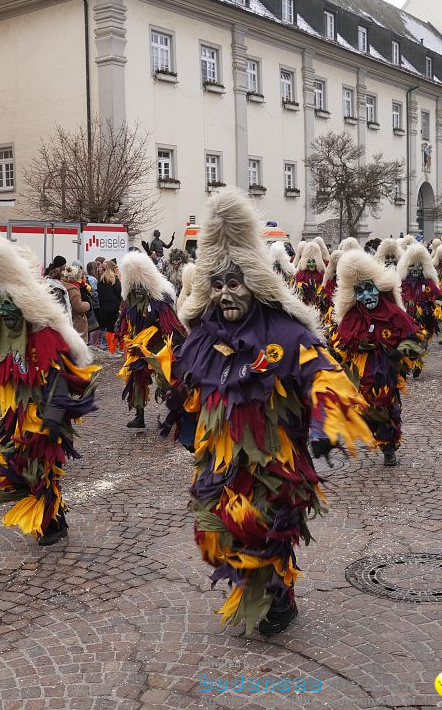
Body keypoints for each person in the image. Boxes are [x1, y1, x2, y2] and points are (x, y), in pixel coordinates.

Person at [154, 190, 372, 635]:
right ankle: (258, 589)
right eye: (217, 285)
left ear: (255, 282)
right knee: (224, 528)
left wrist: (329, 416)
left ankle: (278, 599)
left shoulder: (285, 331)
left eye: (235, 283)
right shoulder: (202, 334)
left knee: (269, 523)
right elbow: (187, 382)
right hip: (220, 458)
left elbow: (321, 371)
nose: (225, 294)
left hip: (274, 457)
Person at [0, 237, 100, 546]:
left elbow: (58, 377)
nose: (4, 310)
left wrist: (52, 419)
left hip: (42, 416)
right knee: (13, 465)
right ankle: (54, 519)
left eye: (8, 302)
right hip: (14, 416)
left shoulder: (44, 334)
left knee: (43, 470)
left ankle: (53, 524)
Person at [330, 249, 423, 466]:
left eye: (369, 289)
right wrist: (355, 346)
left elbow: (414, 338)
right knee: (364, 409)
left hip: (387, 370)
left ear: (379, 288)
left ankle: (389, 446)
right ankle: (378, 435)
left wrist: (399, 352)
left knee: (388, 406)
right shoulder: (352, 317)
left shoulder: (392, 312)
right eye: (359, 291)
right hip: (362, 373)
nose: (366, 296)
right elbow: (338, 345)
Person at [116, 250, 185, 429]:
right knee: (136, 378)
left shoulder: (159, 297)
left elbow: (170, 323)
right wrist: (122, 329)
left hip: (157, 344)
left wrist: (175, 341)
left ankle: (176, 413)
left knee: (165, 378)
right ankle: (140, 415)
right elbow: (125, 317)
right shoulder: (129, 298)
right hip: (137, 345)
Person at [397, 243, 442, 377]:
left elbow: (438, 297)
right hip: (407, 320)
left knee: (422, 343)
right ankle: (406, 363)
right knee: (406, 342)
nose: (415, 269)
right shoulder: (402, 283)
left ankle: (418, 363)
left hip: (425, 320)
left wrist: (437, 308)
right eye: (412, 266)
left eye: (419, 265)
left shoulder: (429, 283)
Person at [96, 260, 122, 356]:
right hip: (114, 307)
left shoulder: (101, 279)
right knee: (113, 328)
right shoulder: (114, 279)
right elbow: (119, 292)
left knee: (109, 328)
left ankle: (112, 350)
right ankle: (112, 351)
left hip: (103, 307)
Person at [294, 240, 326, 308]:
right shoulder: (300, 275)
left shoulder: (322, 275)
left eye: (313, 262)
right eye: (309, 262)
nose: (311, 264)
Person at [61, 265, 91, 338]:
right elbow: (78, 307)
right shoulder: (73, 289)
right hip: (76, 321)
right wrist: (87, 304)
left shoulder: (63, 285)